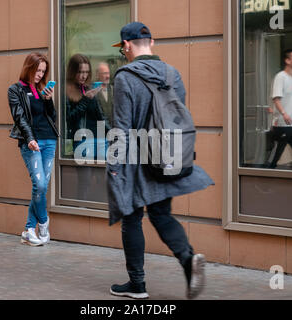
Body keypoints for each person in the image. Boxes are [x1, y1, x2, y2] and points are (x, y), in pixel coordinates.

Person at [107, 22, 214, 300]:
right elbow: (178, 118)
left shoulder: (124, 77)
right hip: (167, 158)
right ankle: (188, 260)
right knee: (161, 215)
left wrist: (115, 170)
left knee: (131, 219)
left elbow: (121, 128)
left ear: (127, 46)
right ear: (151, 42)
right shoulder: (172, 73)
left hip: (135, 160)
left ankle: (137, 285)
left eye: (122, 48)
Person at [8, 52, 59, 246]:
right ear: (29, 67)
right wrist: (29, 138)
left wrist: (48, 100)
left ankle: (29, 230)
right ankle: (44, 223)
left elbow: (51, 116)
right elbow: (19, 117)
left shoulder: (41, 88)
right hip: (32, 143)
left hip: (49, 141)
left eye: (43, 71)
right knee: (41, 185)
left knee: (40, 188)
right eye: (37, 70)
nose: (40, 74)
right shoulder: (15, 90)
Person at [65, 54, 110, 162]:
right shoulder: (66, 91)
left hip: (100, 138)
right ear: (73, 72)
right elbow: (69, 119)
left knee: (104, 175)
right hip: (83, 140)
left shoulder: (89, 88)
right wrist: (85, 100)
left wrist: (113, 132)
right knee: (86, 176)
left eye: (86, 72)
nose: (83, 76)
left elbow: (100, 116)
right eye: (80, 72)